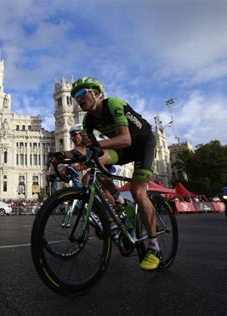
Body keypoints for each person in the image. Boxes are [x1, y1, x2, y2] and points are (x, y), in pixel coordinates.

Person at [50, 77, 160, 271]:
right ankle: (118, 203)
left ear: (97, 93)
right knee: (93, 163)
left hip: (142, 144)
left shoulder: (114, 104)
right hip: (123, 148)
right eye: (75, 96)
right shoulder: (88, 120)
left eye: (82, 93)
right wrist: (62, 157)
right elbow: (85, 149)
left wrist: (93, 147)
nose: (78, 99)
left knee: (138, 191)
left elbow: (125, 138)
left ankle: (154, 246)